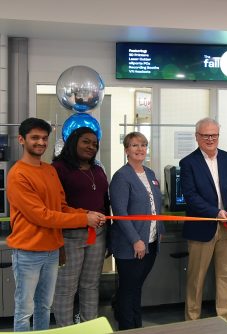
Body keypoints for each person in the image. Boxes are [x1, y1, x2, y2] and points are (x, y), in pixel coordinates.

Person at [6, 117, 104, 332]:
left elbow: (60, 207)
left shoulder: (49, 170)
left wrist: (86, 213)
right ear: (22, 139)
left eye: (44, 138)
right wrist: (83, 219)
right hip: (28, 253)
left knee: (44, 306)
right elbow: (42, 216)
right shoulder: (17, 174)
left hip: (51, 250)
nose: (40, 142)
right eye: (35, 138)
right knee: (24, 310)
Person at [180, 117, 227, 323]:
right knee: (196, 279)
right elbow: (190, 197)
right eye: (205, 135)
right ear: (197, 137)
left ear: (218, 136)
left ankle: (225, 319)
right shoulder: (188, 163)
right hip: (202, 228)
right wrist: (215, 212)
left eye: (214, 135)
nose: (210, 139)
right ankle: (193, 321)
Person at [51, 127, 110, 327]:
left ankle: (89, 326)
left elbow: (104, 201)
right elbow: (56, 207)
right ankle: (65, 330)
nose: (91, 147)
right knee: (66, 288)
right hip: (70, 236)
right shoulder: (58, 168)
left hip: (98, 235)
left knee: (91, 286)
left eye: (94, 144)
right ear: (74, 141)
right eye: (86, 141)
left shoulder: (98, 170)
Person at [109, 131, 165, 330]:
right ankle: (127, 326)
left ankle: (136, 325)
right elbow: (120, 213)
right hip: (131, 245)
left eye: (143, 145)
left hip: (150, 242)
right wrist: (136, 240)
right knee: (128, 289)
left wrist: (160, 230)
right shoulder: (121, 177)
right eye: (134, 145)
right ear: (126, 150)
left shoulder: (149, 174)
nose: (140, 149)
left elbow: (156, 205)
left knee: (136, 288)